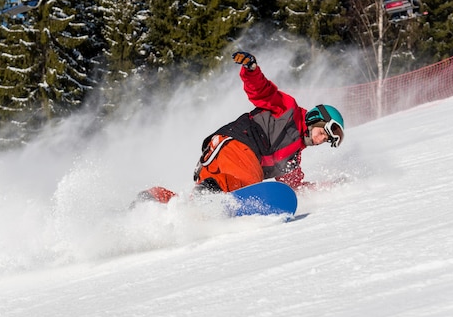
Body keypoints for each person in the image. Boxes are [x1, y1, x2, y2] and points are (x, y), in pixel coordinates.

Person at [137, 51, 345, 204]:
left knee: (194, 207)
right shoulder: (288, 109)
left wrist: (327, 188)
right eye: (322, 133)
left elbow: (292, 187)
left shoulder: (293, 157)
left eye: (326, 140)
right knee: (251, 186)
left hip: (219, 163)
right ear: (315, 119)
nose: (320, 140)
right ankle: (210, 191)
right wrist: (251, 70)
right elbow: (262, 92)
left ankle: (155, 199)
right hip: (236, 147)